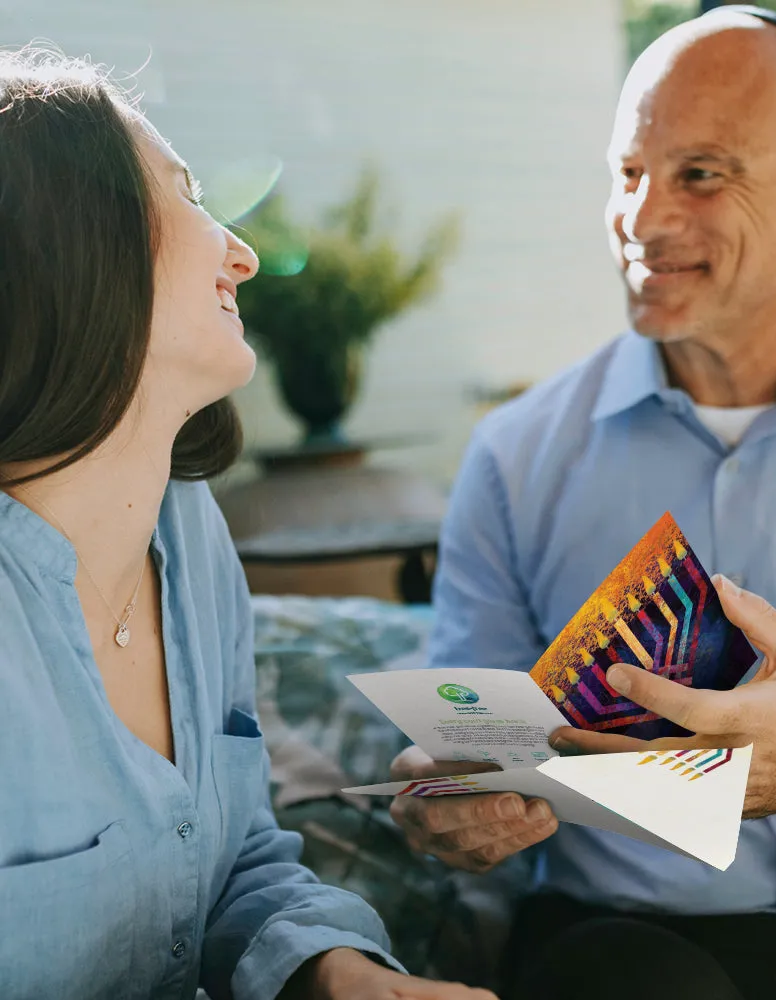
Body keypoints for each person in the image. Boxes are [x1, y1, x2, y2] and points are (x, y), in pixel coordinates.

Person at [388, 8, 776, 1000]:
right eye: (628, 173)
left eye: (700, 174)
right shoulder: (515, 454)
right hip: (625, 947)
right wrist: (442, 802)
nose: (643, 218)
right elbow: (462, 746)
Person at [0, 49, 497, 1000]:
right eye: (189, 200)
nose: (245, 252)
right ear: (77, 244)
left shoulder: (189, 536)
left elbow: (231, 864)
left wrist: (334, 972)